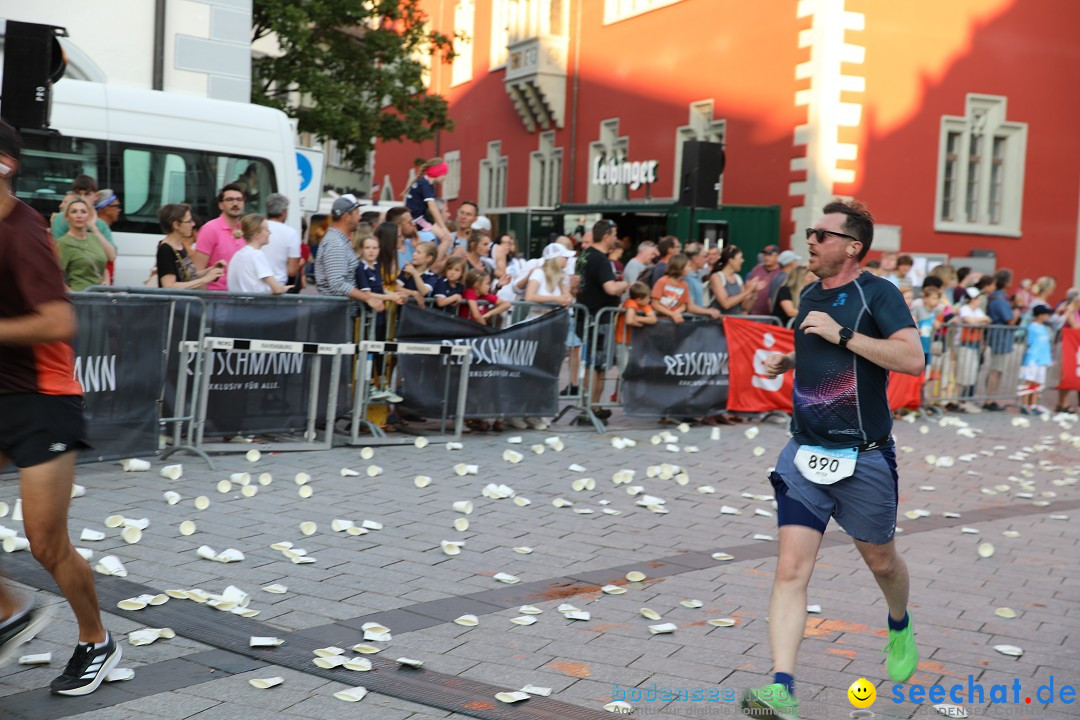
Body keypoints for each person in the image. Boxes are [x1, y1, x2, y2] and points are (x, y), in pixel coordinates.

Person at [744, 200, 923, 720]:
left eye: (821, 234)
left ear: (852, 246)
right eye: (810, 232)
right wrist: (793, 358)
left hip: (863, 457)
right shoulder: (808, 293)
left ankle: (898, 622)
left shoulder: (878, 293)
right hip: (804, 452)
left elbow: (912, 359)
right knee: (790, 570)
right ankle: (781, 687)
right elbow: (823, 348)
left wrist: (843, 333)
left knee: (882, 561)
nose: (810, 240)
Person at [0, 118, 121, 695]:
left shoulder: (22, 231)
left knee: (45, 540)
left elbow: (59, 320)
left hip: (43, 401)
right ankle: (8, 614)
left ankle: (96, 637)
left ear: (3, 165)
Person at [575, 220, 629, 421]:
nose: (616, 238)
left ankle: (588, 406)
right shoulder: (601, 260)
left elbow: (576, 286)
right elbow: (610, 288)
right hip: (599, 318)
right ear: (606, 236)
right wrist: (625, 284)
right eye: (614, 234)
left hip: (586, 316)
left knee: (592, 365)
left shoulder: (585, 256)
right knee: (597, 366)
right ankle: (592, 408)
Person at [155, 204, 224, 289]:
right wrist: (206, 279)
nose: (193, 224)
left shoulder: (179, 245)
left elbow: (187, 276)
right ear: (176, 225)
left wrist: (210, 270)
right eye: (188, 221)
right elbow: (169, 285)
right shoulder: (166, 249)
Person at [55, 198, 116, 292]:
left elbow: (109, 260)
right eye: (74, 211)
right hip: (80, 298)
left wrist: (106, 283)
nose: (79, 215)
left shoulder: (95, 238)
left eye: (83, 212)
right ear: (67, 216)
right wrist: (73, 294)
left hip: (100, 298)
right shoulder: (63, 242)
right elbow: (54, 276)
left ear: (88, 216)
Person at [193, 184, 247, 290]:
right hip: (215, 298)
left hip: (240, 297)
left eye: (239, 199)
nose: (235, 203)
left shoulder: (245, 229)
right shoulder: (210, 229)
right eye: (229, 199)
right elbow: (197, 271)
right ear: (221, 205)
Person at [227, 214, 291, 294]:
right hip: (254, 305)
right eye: (267, 230)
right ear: (257, 235)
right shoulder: (256, 255)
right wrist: (285, 288)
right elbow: (277, 289)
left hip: (236, 304)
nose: (270, 233)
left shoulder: (237, 255)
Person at [983, 269, 1017, 410]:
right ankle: (989, 399)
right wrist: (1017, 310)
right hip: (1000, 337)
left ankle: (990, 398)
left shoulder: (994, 297)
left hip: (997, 336)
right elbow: (1010, 320)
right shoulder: (1000, 299)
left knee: (996, 369)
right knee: (996, 369)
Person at [651, 254, 720, 323]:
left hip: (675, 320)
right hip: (661, 321)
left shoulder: (684, 285)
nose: (690, 268)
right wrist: (672, 314)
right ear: (680, 267)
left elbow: (684, 304)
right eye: (688, 266)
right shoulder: (662, 281)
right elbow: (655, 304)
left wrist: (677, 312)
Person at [403, 158, 452, 243]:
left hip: (418, 216)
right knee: (446, 239)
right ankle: (438, 256)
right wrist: (443, 227)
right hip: (418, 218)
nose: (445, 178)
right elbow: (432, 207)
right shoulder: (426, 186)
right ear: (437, 173)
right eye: (444, 174)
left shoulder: (423, 183)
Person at [614, 282, 657, 375]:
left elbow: (653, 319)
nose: (650, 300)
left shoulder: (644, 305)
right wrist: (641, 323)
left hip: (633, 342)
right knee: (624, 369)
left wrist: (637, 319)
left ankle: (625, 388)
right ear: (639, 300)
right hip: (622, 341)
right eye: (648, 298)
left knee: (632, 369)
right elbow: (629, 320)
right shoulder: (630, 302)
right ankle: (622, 389)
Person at [263, 193, 302, 293]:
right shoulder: (291, 233)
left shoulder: (257, 228)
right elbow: (292, 271)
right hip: (278, 288)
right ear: (283, 212)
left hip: (254, 287)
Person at [525, 243, 575, 318]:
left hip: (553, 321)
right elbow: (529, 297)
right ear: (557, 259)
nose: (567, 260)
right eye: (565, 257)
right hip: (537, 321)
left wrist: (566, 299)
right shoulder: (539, 272)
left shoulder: (559, 276)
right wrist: (555, 299)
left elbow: (569, 298)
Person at [1019, 305, 1053, 415]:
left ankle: (1033, 404)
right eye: (1046, 314)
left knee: (1038, 382)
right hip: (1033, 358)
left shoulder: (1044, 328)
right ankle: (1024, 405)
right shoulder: (1032, 327)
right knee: (1029, 381)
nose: (1048, 316)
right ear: (1040, 315)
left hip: (1042, 359)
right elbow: (1029, 342)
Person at [708, 245, 762, 315]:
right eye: (740, 258)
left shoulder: (737, 278)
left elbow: (745, 307)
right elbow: (726, 304)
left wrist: (753, 293)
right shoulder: (716, 277)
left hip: (734, 323)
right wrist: (747, 291)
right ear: (731, 261)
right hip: (719, 323)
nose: (743, 260)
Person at [746, 243, 781, 315]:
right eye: (765, 255)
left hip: (772, 315)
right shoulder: (757, 269)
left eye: (770, 255)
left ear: (777, 256)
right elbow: (746, 287)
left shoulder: (781, 271)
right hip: (754, 314)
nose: (766, 257)